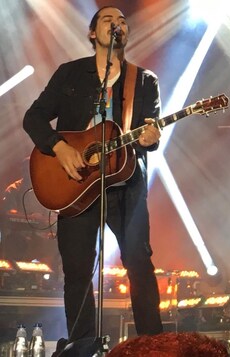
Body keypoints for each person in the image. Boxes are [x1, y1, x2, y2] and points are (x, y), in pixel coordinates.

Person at [22, 5, 164, 348]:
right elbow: (34, 118)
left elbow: (150, 134)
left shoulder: (144, 80)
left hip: (125, 185)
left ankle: (153, 346)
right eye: (107, 20)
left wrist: (151, 138)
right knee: (77, 272)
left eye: (122, 21)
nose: (117, 24)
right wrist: (60, 147)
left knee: (139, 264)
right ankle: (82, 347)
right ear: (91, 33)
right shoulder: (69, 74)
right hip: (75, 184)